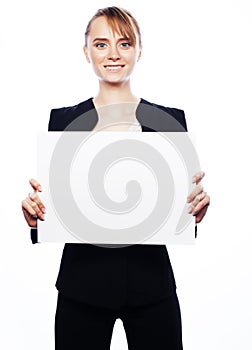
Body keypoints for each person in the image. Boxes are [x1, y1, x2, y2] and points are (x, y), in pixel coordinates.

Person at [21, 6, 210, 349]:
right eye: (101, 44)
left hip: (152, 286)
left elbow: (179, 218)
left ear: (139, 50)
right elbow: (56, 208)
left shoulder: (168, 121)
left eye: (124, 44)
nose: (112, 55)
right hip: (82, 287)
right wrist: (35, 217)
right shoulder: (63, 122)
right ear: (86, 51)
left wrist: (195, 206)